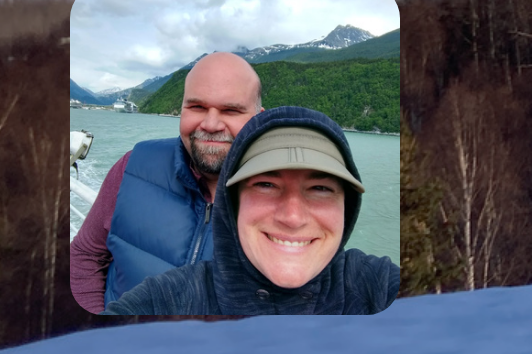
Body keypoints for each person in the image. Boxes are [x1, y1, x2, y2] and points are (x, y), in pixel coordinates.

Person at [104, 105, 399, 315]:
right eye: (266, 184)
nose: (293, 217)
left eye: (320, 188)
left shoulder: (377, 287)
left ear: (347, 205)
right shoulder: (169, 300)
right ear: (233, 203)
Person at [71, 51, 262, 313]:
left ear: (259, 118)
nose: (211, 124)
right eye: (197, 107)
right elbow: (85, 255)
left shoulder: (286, 196)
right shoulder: (133, 166)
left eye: (231, 110)